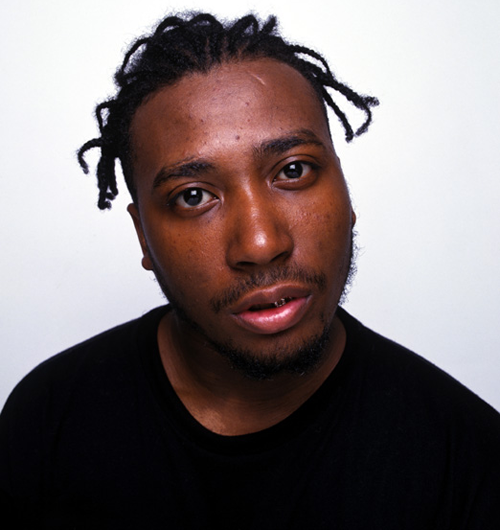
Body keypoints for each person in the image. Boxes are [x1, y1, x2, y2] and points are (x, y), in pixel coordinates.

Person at [1, 12, 499, 529]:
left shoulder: (467, 462)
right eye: (193, 196)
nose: (261, 245)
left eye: (293, 170)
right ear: (143, 235)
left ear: (346, 192)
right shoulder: (47, 418)